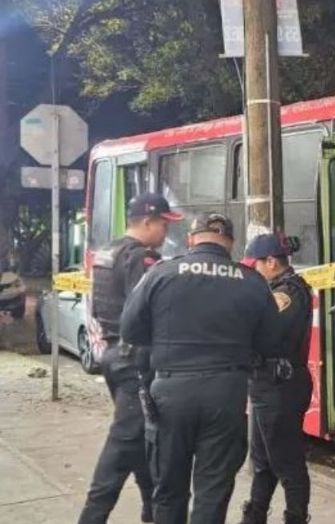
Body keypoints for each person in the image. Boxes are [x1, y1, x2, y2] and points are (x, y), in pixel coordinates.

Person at [120, 213, 283, 524]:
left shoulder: (161, 273)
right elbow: (271, 342)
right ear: (232, 244)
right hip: (226, 393)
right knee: (213, 490)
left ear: (191, 240)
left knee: (168, 489)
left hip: (170, 392)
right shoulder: (252, 281)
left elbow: (130, 331)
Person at [79, 192, 182, 524]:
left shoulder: (109, 252)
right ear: (148, 221)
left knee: (142, 440)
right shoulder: (142, 259)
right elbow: (149, 314)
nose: (166, 231)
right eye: (164, 224)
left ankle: (152, 512)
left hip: (111, 355)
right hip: (135, 363)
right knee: (123, 444)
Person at [238, 233, 313, 524]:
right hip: (266, 384)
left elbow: (268, 331)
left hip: (281, 386)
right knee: (262, 461)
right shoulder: (275, 289)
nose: (252, 271)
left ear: (271, 262)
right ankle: (254, 516)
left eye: (254, 265)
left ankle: (295, 517)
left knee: (287, 462)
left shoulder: (288, 292)